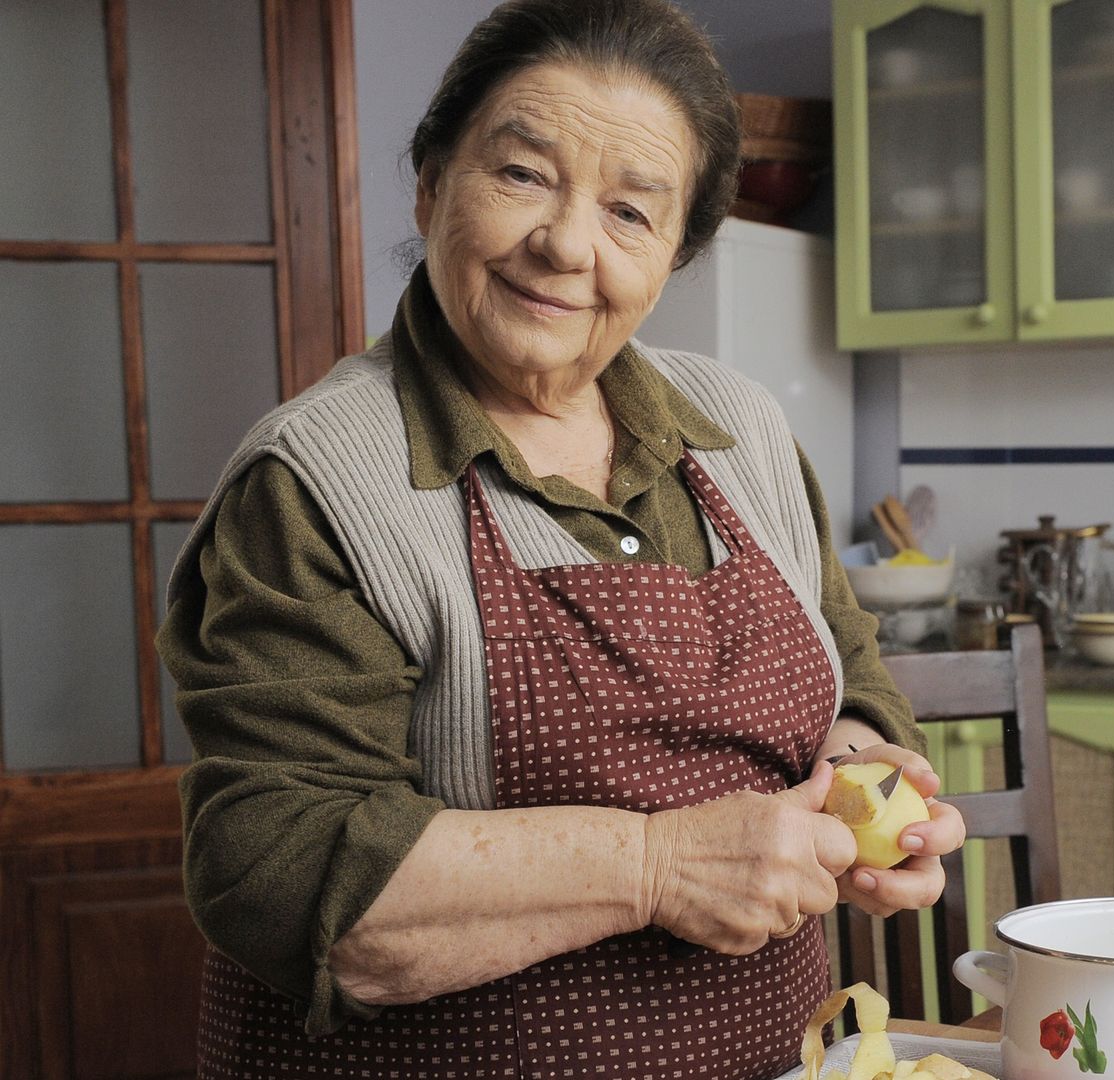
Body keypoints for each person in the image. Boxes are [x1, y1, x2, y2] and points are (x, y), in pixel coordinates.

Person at [158, 2, 965, 1076]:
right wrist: (657, 866)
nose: (568, 244)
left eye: (632, 213)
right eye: (525, 175)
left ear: (675, 255)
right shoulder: (314, 480)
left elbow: (852, 671)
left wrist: (861, 783)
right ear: (434, 181)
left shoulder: (741, 429)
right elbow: (281, 872)